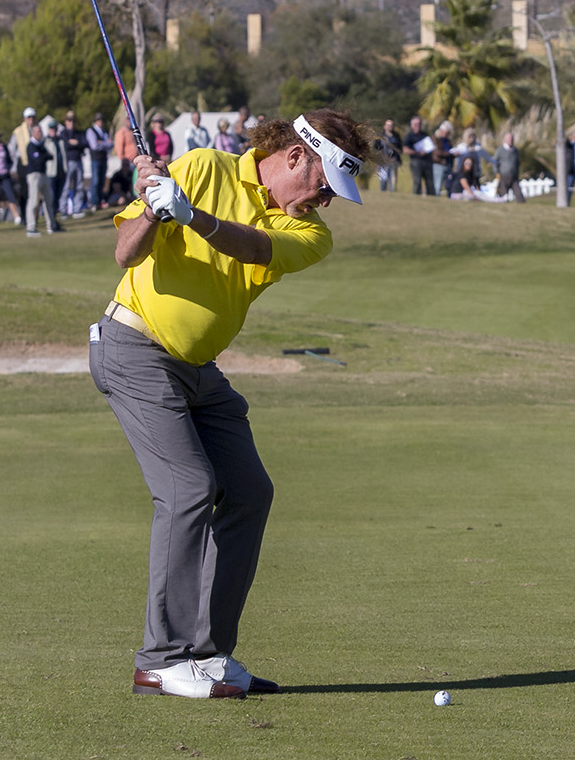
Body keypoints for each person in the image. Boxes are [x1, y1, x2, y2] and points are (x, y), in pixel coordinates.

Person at [99, 110, 372, 701]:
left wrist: (191, 215)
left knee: (249, 491)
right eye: (325, 183)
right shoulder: (201, 167)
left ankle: (209, 655)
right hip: (135, 349)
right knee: (188, 488)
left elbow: (252, 247)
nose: (326, 200)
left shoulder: (311, 235)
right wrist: (153, 207)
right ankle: (161, 660)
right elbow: (125, 254)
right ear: (296, 156)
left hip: (200, 371)